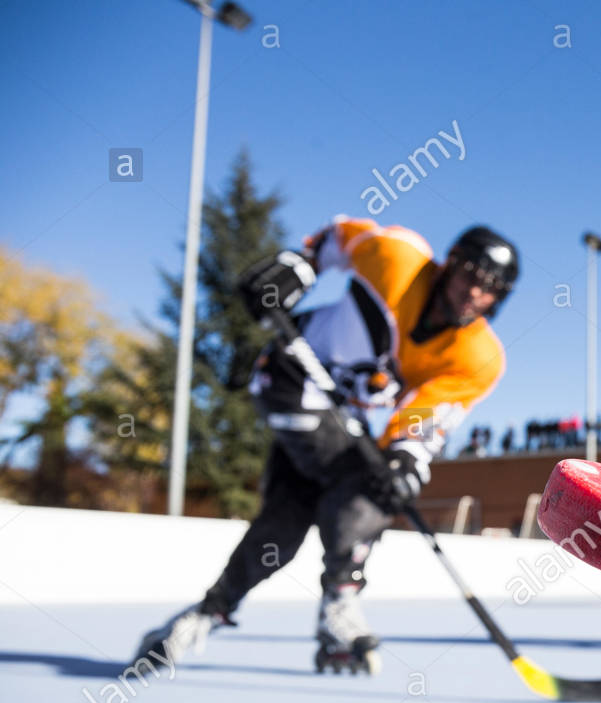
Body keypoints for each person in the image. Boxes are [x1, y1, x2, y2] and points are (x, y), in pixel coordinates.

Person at [134, 217, 520, 673]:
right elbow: (338, 237)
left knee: (285, 524)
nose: (476, 293)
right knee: (365, 482)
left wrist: (405, 457)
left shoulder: (479, 357)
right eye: (471, 276)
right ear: (449, 265)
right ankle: (340, 602)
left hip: (341, 417)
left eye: (490, 288)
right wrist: (299, 264)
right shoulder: (397, 258)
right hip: (288, 378)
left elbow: (426, 414)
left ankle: (200, 616)